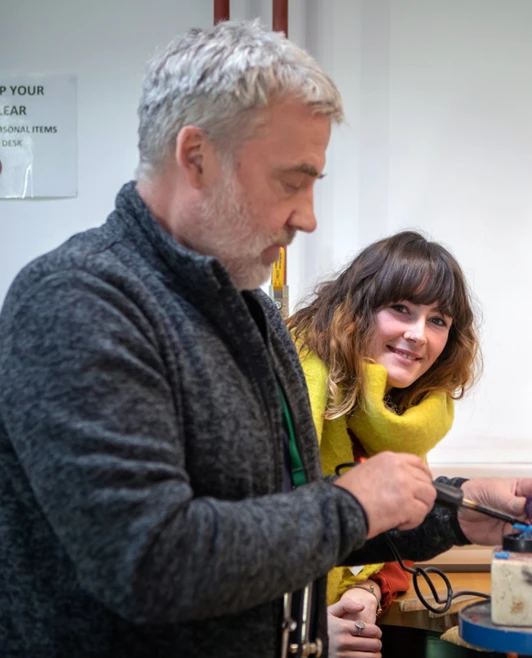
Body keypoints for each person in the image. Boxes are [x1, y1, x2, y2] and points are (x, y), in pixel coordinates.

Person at [0, 19, 529, 658]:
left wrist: (455, 513)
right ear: (196, 157)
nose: (307, 217)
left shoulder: (251, 313)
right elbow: (149, 564)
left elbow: (280, 527)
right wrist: (351, 503)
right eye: (291, 181)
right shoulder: (78, 301)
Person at [288, 230, 480, 656]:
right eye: (401, 309)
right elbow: (254, 533)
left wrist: (369, 593)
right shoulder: (293, 382)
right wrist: (307, 634)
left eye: (437, 320)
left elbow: (395, 537)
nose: (418, 334)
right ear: (357, 308)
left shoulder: (403, 414)